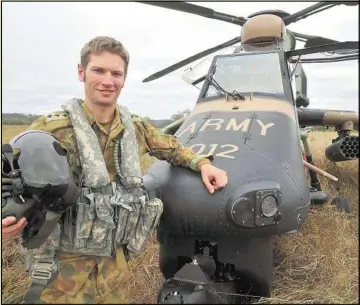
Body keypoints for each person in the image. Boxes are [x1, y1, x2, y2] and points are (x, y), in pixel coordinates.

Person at [1, 36, 228, 304]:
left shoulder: (137, 128)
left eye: (116, 73)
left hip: (114, 269)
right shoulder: (52, 129)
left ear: (124, 79)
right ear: (81, 72)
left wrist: (203, 164)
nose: (108, 81)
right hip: (62, 271)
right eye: (98, 70)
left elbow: (173, 149)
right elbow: (11, 174)